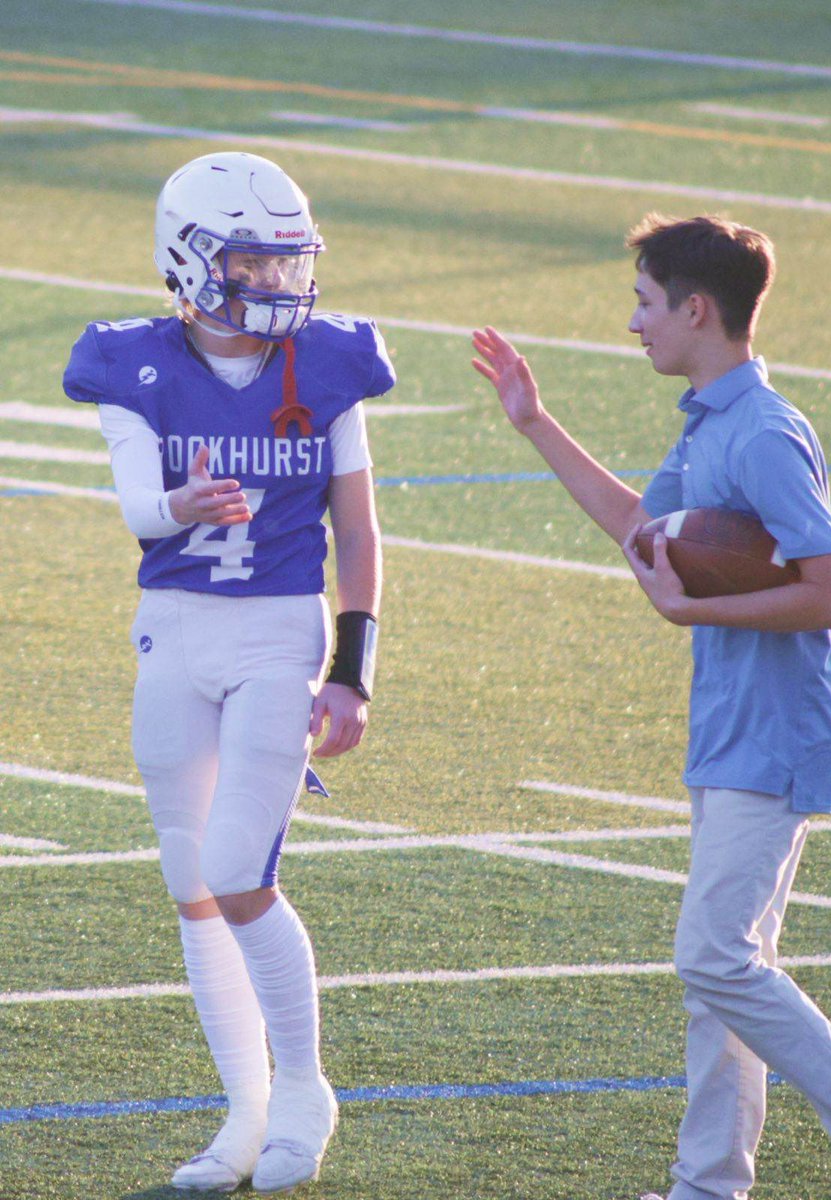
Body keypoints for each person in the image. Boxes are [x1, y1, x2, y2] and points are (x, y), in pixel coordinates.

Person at [471, 214, 831, 1200]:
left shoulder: (764, 433)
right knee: (724, 968)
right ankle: (706, 1187)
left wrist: (698, 603)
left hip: (777, 732)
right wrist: (531, 418)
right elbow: (640, 532)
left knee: (714, 957)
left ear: (697, 310)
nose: (632, 323)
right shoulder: (709, 422)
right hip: (730, 725)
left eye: (644, 304)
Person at [63, 151, 395, 1194]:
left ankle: (301, 1089)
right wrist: (183, 505)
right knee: (190, 883)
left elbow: (358, 526)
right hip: (173, 628)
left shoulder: (333, 361)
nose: (278, 283)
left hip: (276, 633)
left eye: (287, 261)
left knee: (240, 868)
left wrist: (352, 670)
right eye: (253, 261)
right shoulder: (130, 361)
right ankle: (242, 1116)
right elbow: (133, 507)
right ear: (191, 259)